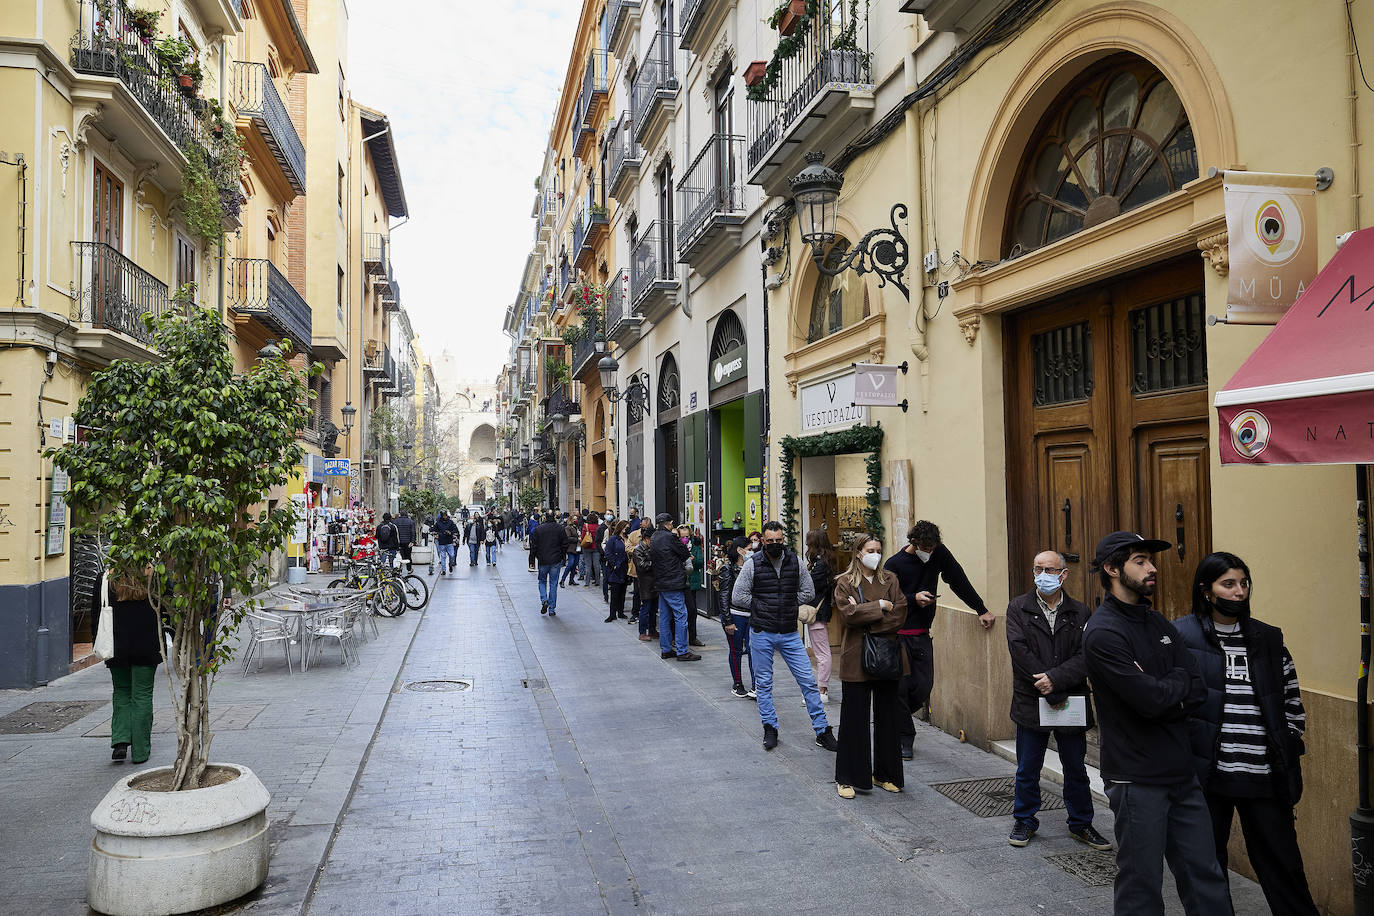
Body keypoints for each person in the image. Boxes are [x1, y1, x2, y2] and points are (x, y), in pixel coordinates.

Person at [1082, 531, 1232, 916]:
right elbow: (1149, 700)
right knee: (1141, 885)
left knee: (1206, 875)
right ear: (1112, 569)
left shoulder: (1159, 623)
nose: (1152, 568)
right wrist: (1169, 689)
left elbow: (1198, 687)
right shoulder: (1103, 632)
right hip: (1136, 778)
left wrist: (1166, 689)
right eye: (1140, 560)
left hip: (1181, 772)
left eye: (1151, 560)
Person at [1175, 552, 1319, 916]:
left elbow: (1290, 697)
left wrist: (1287, 738)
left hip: (1264, 775)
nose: (1239, 592)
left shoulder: (1267, 639)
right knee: (1207, 870)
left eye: (1244, 583)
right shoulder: (1181, 636)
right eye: (1229, 584)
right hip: (1208, 777)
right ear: (1207, 591)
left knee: (1284, 867)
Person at [1005, 549, 1110, 851]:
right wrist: (1046, 681)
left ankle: (1082, 823)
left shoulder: (1081, 611)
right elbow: (1019, 652)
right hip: (1031, 698)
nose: (1043, 575)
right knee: (1028, 766)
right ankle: (1024, 820)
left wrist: (1057, 680)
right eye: (1038, 569)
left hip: (1070, 700)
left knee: (1075, 767)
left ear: (1063, 575)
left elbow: (1085, 655)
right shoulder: (1018, 608)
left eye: (1050, 570)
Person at [883, 520, 996, 760]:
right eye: (926, 547)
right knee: (900, 688)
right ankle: (905, 737)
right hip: (897, 635)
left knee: (923, 686)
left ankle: (893, 716)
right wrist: (914, 598)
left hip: (922, 633)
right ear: (914, 543)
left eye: (933, 547)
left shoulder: (939, 553)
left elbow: (958, 580)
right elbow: (889, 599)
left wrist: (981, 609)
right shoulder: (894, 564)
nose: (930, 552)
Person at [732, 521, 838, 753]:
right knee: (764, 683)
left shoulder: (796, 562)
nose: (774, 544)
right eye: (770, 541)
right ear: (763, 541)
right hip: (761, 632)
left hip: (789, 634)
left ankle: (822, 730)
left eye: (778, 540)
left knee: (808, 682)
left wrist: (787, 605)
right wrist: (764, 606)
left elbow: (808, 591)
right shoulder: (753, 564)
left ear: (784, 540)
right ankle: (770, 727)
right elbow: (738, 596)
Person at [832, 534, 907, 799]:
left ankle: (885, 774)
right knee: (854, 719)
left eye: (878, 549)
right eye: (870, 550)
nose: (875, 554)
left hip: (887, 657)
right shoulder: (844, 583)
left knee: (888, 718)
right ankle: (847, 778)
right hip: (856, 658)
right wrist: (880, 606)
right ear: (858, 553)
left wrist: (866, 612)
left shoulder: (891, 580)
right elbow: (847, 616)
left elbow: (899, 615)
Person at [100, 571, 162, 764]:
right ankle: (140, 751)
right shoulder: (154, 577)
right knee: (142, 695)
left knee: (121, 692)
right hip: (146, 645)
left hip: (116, 646)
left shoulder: (106, 578)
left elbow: (97, 613)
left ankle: (120, 741)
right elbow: (167, 610)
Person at [651, 513, 700, 662]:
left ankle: (666, 649)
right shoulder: (670, 537)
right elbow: (684, 552)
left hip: (660, 582)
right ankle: (682, 651)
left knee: (665, 617)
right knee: (681, 616)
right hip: (673, 581)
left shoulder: (654, 537)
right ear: (669, 523)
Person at [717, 536, 754, 699]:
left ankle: (756, 685)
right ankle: (737, 683)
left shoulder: (753, 566)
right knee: (736, 650)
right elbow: (724, 595)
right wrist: (727, 621)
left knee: (754, 651)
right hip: (735, 615)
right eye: (750, 548)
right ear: (740, 550)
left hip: (752, 615)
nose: (752, 551)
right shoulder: (728, 568)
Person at [804, 530, 836, 704]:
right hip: (819, 611)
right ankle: (822, 687)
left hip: (817, 612)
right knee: (820, 651)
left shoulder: (821, 564)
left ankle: (822, 689)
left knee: (822, 653)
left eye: (809, 543)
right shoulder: (822, 562)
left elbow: (810, 586)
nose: (807, 546)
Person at [530, 511, 570, 617]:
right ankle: (551, 609)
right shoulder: (560, 528)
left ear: (545, 518)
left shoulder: (538, 529)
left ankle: (544, 600)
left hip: (543, 560)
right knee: (553, 584)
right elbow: (565, 544)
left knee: (542, 581)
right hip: (555, 560)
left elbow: (533, 546)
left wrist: (532, 561)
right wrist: (562, 556)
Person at [629, 517, 658, 640]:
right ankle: (642, 632)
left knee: (653, 609)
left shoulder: (652, 548)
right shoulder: (639, 550)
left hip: (655, 583)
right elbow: (642, 566)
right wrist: (655, 563)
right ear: (647, 539)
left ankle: (652, 630)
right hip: (646, 583)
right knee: (645, 608)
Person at [603, 520, 631, 623]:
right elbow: (608, 552)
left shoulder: (627, 538)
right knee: (615, 592)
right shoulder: (613, 539)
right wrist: (614, 564)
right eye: (625, 527)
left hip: (625, 567)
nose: (626, 529)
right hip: (616, 568)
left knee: (623, 591)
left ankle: (620, 611)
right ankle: (612, 614)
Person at [433, 510, 459, 576]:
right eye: (443, 515)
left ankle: (450, 565)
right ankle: (443, 570)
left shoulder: (450, 522)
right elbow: (433, 530)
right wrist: (437, 534)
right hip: (441, 542)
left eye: (445, 515)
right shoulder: (438, 523)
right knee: (443, 557)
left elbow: (455, 530)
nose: (445, 516)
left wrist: (450, 532)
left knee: (452, 555)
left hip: (449, 542)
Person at [579, 512, 602, 588]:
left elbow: (582, 536)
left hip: (587, 547)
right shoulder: (598, 527)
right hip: (596, 548)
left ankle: (587, 583)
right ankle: (597, 581)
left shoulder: (586, 526)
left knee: (588, 565)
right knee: (596, 565)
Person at [561, 515, 582, 586]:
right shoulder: (568, 528)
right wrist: (577, 539)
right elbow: (568, 538)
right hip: (571, 548)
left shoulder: (576, 527)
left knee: (575, 565)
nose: (576, 520)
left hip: (577, 548)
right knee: (570, 564)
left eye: (576, 519)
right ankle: (562, 580)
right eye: (574, 519)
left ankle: (571, 580)